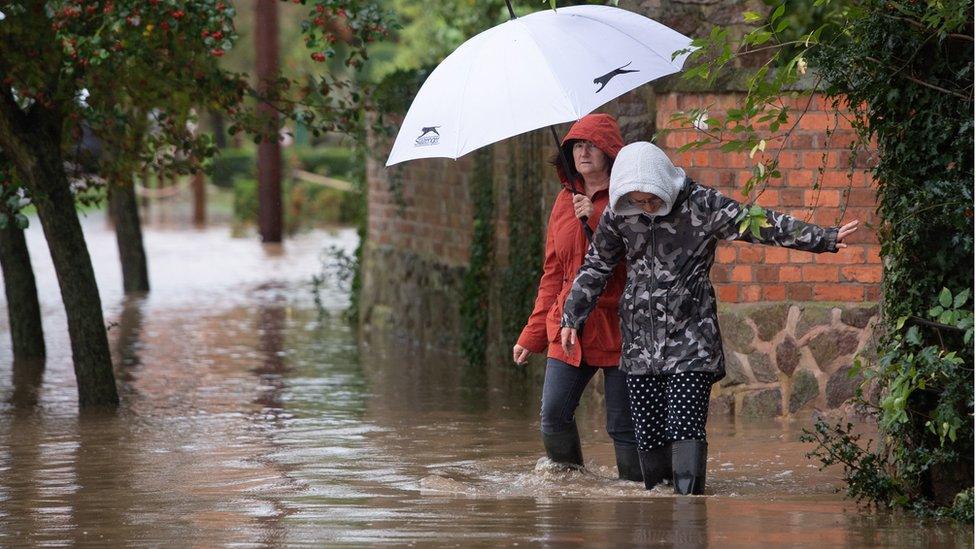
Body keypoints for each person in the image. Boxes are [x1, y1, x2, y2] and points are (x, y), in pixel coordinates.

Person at [559, 141, 859, 494]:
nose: (647, 205)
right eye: (638, 200)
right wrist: (571, 317)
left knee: (685, 432)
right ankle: (658, 519)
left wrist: (823, 238)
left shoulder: (701, 204)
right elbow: (596, 266)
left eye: (651, 198)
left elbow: (757, 224)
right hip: (640, 348)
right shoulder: (619, 214)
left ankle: (690, 515)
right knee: (650, 444)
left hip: (692, 342)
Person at [512, 113, 642, 481]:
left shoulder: (631, 197)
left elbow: (639, 257)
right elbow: (553, 273)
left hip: (619, 326)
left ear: (609, 151)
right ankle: (569, 491)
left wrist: (598, 216)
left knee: (622, 425)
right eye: (575, 146)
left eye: (591, 145)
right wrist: (533, 333)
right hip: (567, 326)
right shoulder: (562, 202)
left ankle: (637, 498)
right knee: (553, 414)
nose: (583, 152)